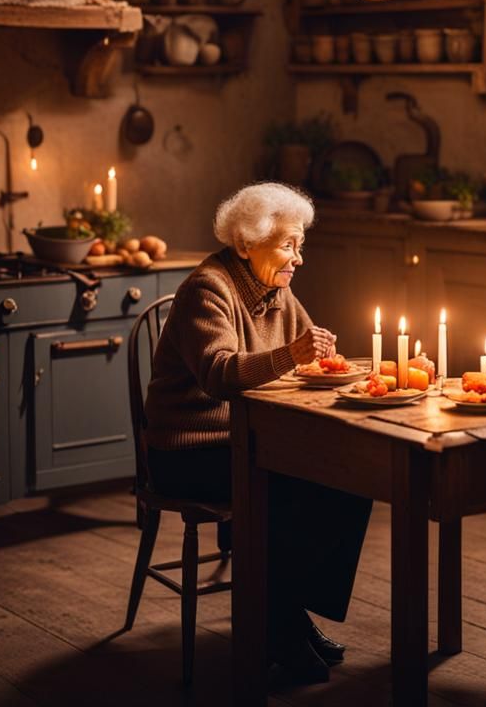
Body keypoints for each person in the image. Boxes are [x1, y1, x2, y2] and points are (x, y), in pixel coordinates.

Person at [144, 182, 372, 685]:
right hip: (189, 450)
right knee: (289, 487)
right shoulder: (209, 289)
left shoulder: (277, 287)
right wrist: (293, 354)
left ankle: (287, 614)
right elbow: (219, 374)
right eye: (289, 245)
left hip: (250, 440)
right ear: (246, 244)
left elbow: (314, 358)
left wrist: (325, 357)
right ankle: (278, 626)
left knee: (350, 477)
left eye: (300, 246)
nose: (298, 259)